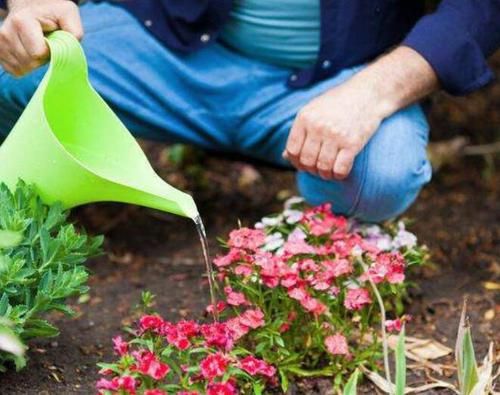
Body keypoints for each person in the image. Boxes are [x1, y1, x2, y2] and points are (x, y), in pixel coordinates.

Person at [0, 1, 498, 222]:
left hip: (339, 82)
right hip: (174, 49)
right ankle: (13, 229)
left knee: (380, 176)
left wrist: (371, 93)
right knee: (11, 70)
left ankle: (320, 246)